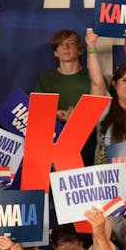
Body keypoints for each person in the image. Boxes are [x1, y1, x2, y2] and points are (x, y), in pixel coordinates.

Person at [34, 29, 94, 164]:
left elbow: (105, 109)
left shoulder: (92, 77)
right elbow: (36, 113)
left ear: (80, 50)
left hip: (87, 143)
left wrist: (79, 118)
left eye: (71, 43)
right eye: (60, 44)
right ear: (55, 52)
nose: (65, 47)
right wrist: (54, 114)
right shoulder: (46, 78)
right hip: (55, 143)